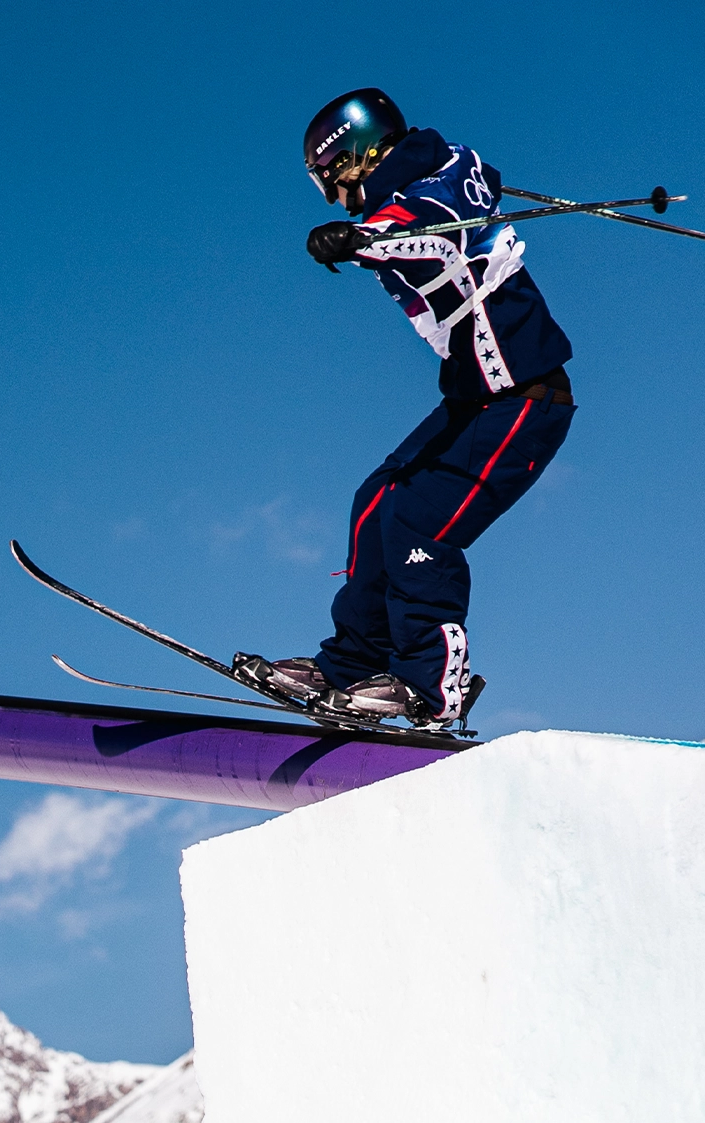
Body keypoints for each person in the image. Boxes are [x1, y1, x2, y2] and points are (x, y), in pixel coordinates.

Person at [237, 88, 577, 730]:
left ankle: (431, 685)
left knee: (420, 525)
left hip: (524, 396)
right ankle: (352, 664)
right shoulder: (430, 175)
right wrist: (367, 232)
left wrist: (362, 238)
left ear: (354, 157)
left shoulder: (425, 193)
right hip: (480, 397)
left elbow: (426, 237)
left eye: (329, 179)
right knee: (378, 500)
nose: (332, 195)